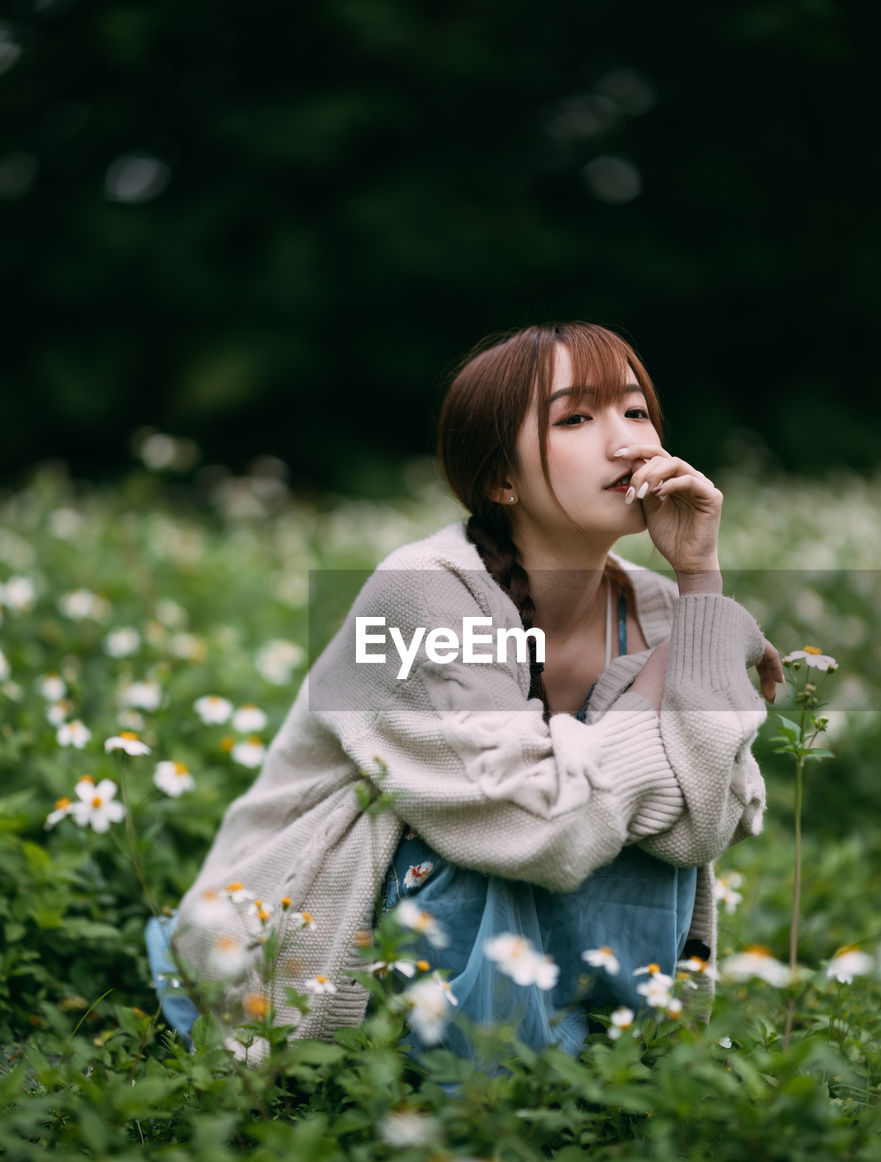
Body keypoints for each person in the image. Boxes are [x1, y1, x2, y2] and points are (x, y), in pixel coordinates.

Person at [150, 321, 781, 1061]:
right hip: (288, 942)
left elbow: (704, 827)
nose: (629, 444)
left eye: (635, 412)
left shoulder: (659, 610)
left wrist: (701, 587)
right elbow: (531, 828)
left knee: (629, 827)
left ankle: (585, 1058)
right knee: (490, 836)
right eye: (576, 418)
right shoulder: (424, 593)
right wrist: (660, 685)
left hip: (488, 931)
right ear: (499, 481)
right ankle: (489, 1078)